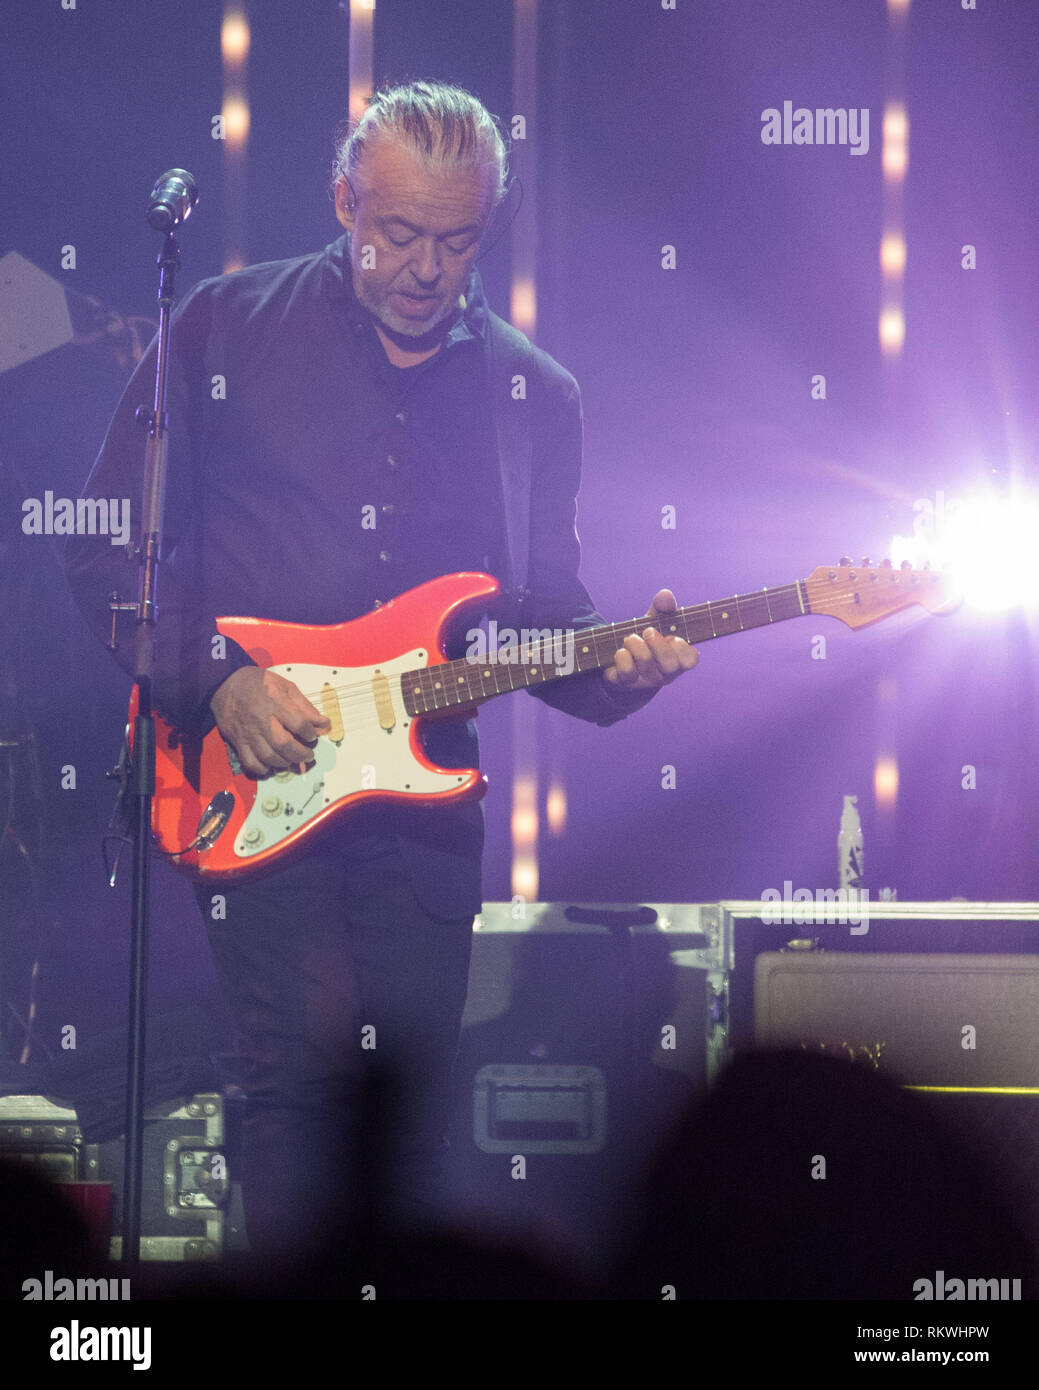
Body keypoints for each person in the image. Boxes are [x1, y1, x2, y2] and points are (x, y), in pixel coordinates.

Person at [64, 80, 698, 1268]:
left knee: (405, 1103)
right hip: (249, 775)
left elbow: (537, 622)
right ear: (342, 198)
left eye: (454, 242)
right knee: (297, 1079)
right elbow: (106, 539)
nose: (422, 267)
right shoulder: (220, 326)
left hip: (424, 806)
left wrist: (620, 674)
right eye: (396, 232)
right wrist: (217, 676)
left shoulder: (532, 395)